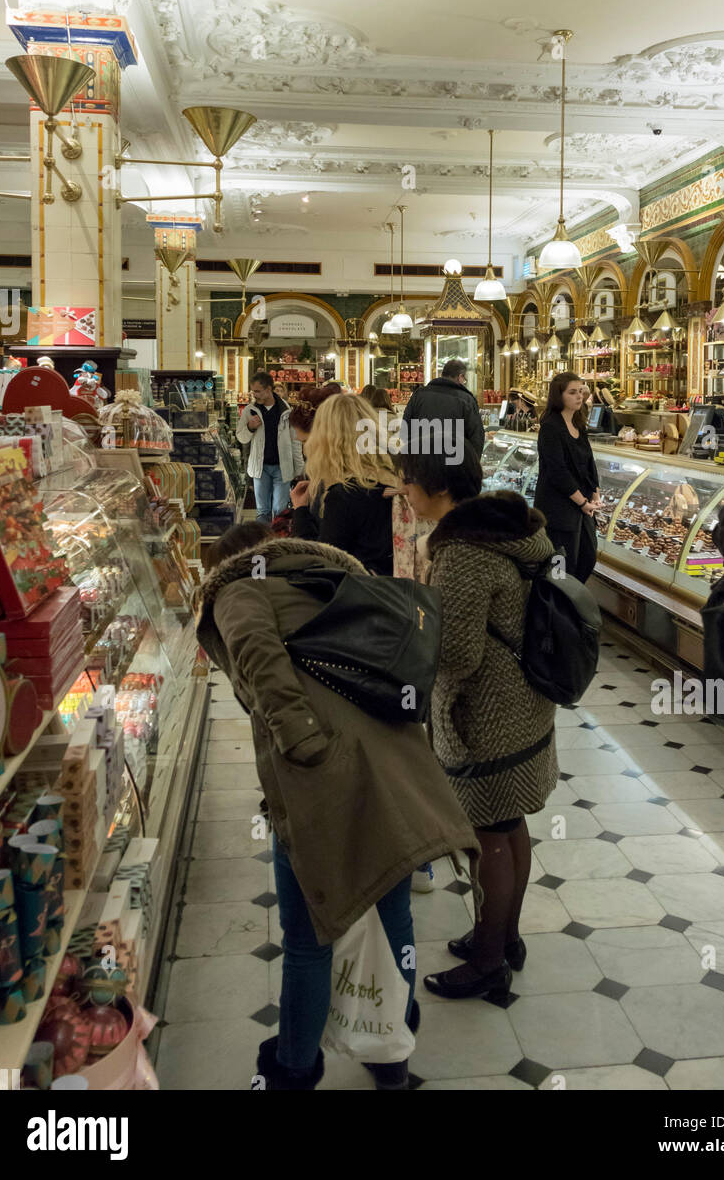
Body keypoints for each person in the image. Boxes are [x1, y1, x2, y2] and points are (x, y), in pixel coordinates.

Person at [197, 520, 481, 1090]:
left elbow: (257, 656)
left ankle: (293, 1069)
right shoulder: (328, 576)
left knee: (307, 939)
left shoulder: (237, 590)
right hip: (394, 766)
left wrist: (302, 742)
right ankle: (391, 1057)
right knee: (394, 916)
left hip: (320, 777)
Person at [401, 452, 559, 1000]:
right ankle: (504, 935)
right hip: (527, 702)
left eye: (408, 482)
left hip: (487, 713)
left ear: (434, 488)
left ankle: (490, 960)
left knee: (486, 834)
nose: (403, 492)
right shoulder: (512, 532)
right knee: (509, 823)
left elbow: (458, 653)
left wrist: (412, 638)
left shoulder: (463, 552)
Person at [290, 393, 398, 574]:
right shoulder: (395, 478)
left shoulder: (344, 495)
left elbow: (322, 566)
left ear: (326, 440)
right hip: (393, 590)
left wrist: (300, 511)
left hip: (360, 595)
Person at [533, 372, 602, 582]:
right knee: (561, 567)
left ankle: (571, 605)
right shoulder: (550, 427)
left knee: (586, 558)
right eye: (572, 392)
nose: (579, 397)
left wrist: (595, 493)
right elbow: (557, 471)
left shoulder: (579, 424)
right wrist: (581, 501)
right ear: (559, 396)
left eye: (580, 391)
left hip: (582, 508)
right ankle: (557, 609)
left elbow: (589, 461)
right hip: (558, 510)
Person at [236, 371, 303, 523]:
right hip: (260, 468)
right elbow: (241, 437)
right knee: (262, 511)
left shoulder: (286, 411)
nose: (255, 394)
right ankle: (264, 543)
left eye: (258, 391)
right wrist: (250, 427)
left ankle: (278, 541)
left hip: (282, 467)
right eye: (253, 391)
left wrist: (299, 469)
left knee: (280, 510)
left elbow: (295, 441)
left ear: (268, 389)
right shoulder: (250, 411)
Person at [402, 358, 484, 461]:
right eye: (464, 380)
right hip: (453, 466)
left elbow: (405, 428)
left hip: (421, 465)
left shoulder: (419, 395)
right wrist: (472, 468)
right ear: (460, 377)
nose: (464, 382)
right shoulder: (466, 400)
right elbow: (476, 438)